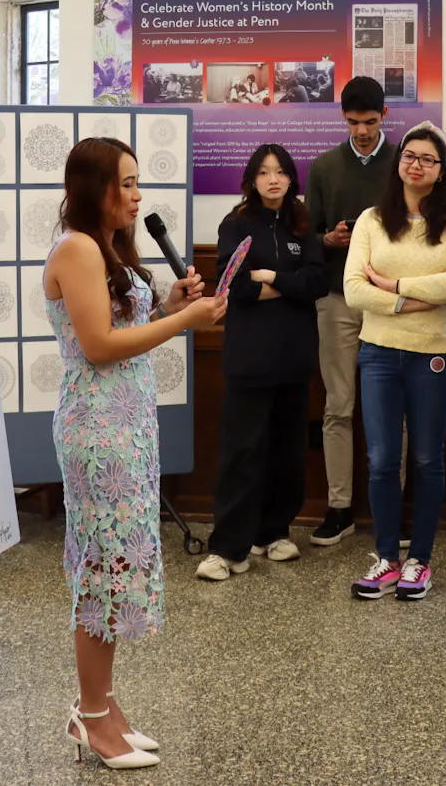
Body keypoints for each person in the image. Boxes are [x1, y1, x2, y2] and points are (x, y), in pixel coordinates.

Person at [43, 138, 226, 769]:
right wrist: (186, 321)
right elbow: (98, 345)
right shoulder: (76, 249)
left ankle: (104, 705)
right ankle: (92, 716)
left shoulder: (109, 251)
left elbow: (123, 330)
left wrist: (173, 304)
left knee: (118, 567)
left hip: (127, 428)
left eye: (137, 182)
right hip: (98, 434)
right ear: (94, 188)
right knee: (102, 570)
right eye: (125, 183)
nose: (137, 194)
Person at [343, 122, 446, 601]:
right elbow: (353, 288)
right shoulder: (371, 219)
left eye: (427, 159)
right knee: (381, 459)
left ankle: (420, 560)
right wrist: (412, 301)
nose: (416, 164)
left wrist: (394, 285)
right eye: (409, 155)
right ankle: (386, 558)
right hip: (378, 351)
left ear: (441, 171)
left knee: (426, 457)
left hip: (435, 353)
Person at [197, 145, 327, 582]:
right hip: (249, 358)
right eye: (264, 172)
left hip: (294, 356)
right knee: (242, 452)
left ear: (292, 178)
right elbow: (233, 287)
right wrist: (287, 286)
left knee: (287, 452)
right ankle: (228, 548)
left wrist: (271, 277)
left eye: (281, 172)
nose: (273, 179)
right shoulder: (235, 224)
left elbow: (317, 283)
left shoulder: (303, 224)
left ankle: (274, 532)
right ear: (252, 179)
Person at [305, 77, 397, 546]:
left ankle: (393, 509)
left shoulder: (405, 163)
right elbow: (311, 236)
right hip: (338, 299)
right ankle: (339, 505)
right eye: (353, 122)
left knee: (390, 407)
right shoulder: (323, 168)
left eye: (370, 121)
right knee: (337, 406)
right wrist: (329, 240)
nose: (361, 131)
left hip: (391, 303)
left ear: (384, 115)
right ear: (342, 118)